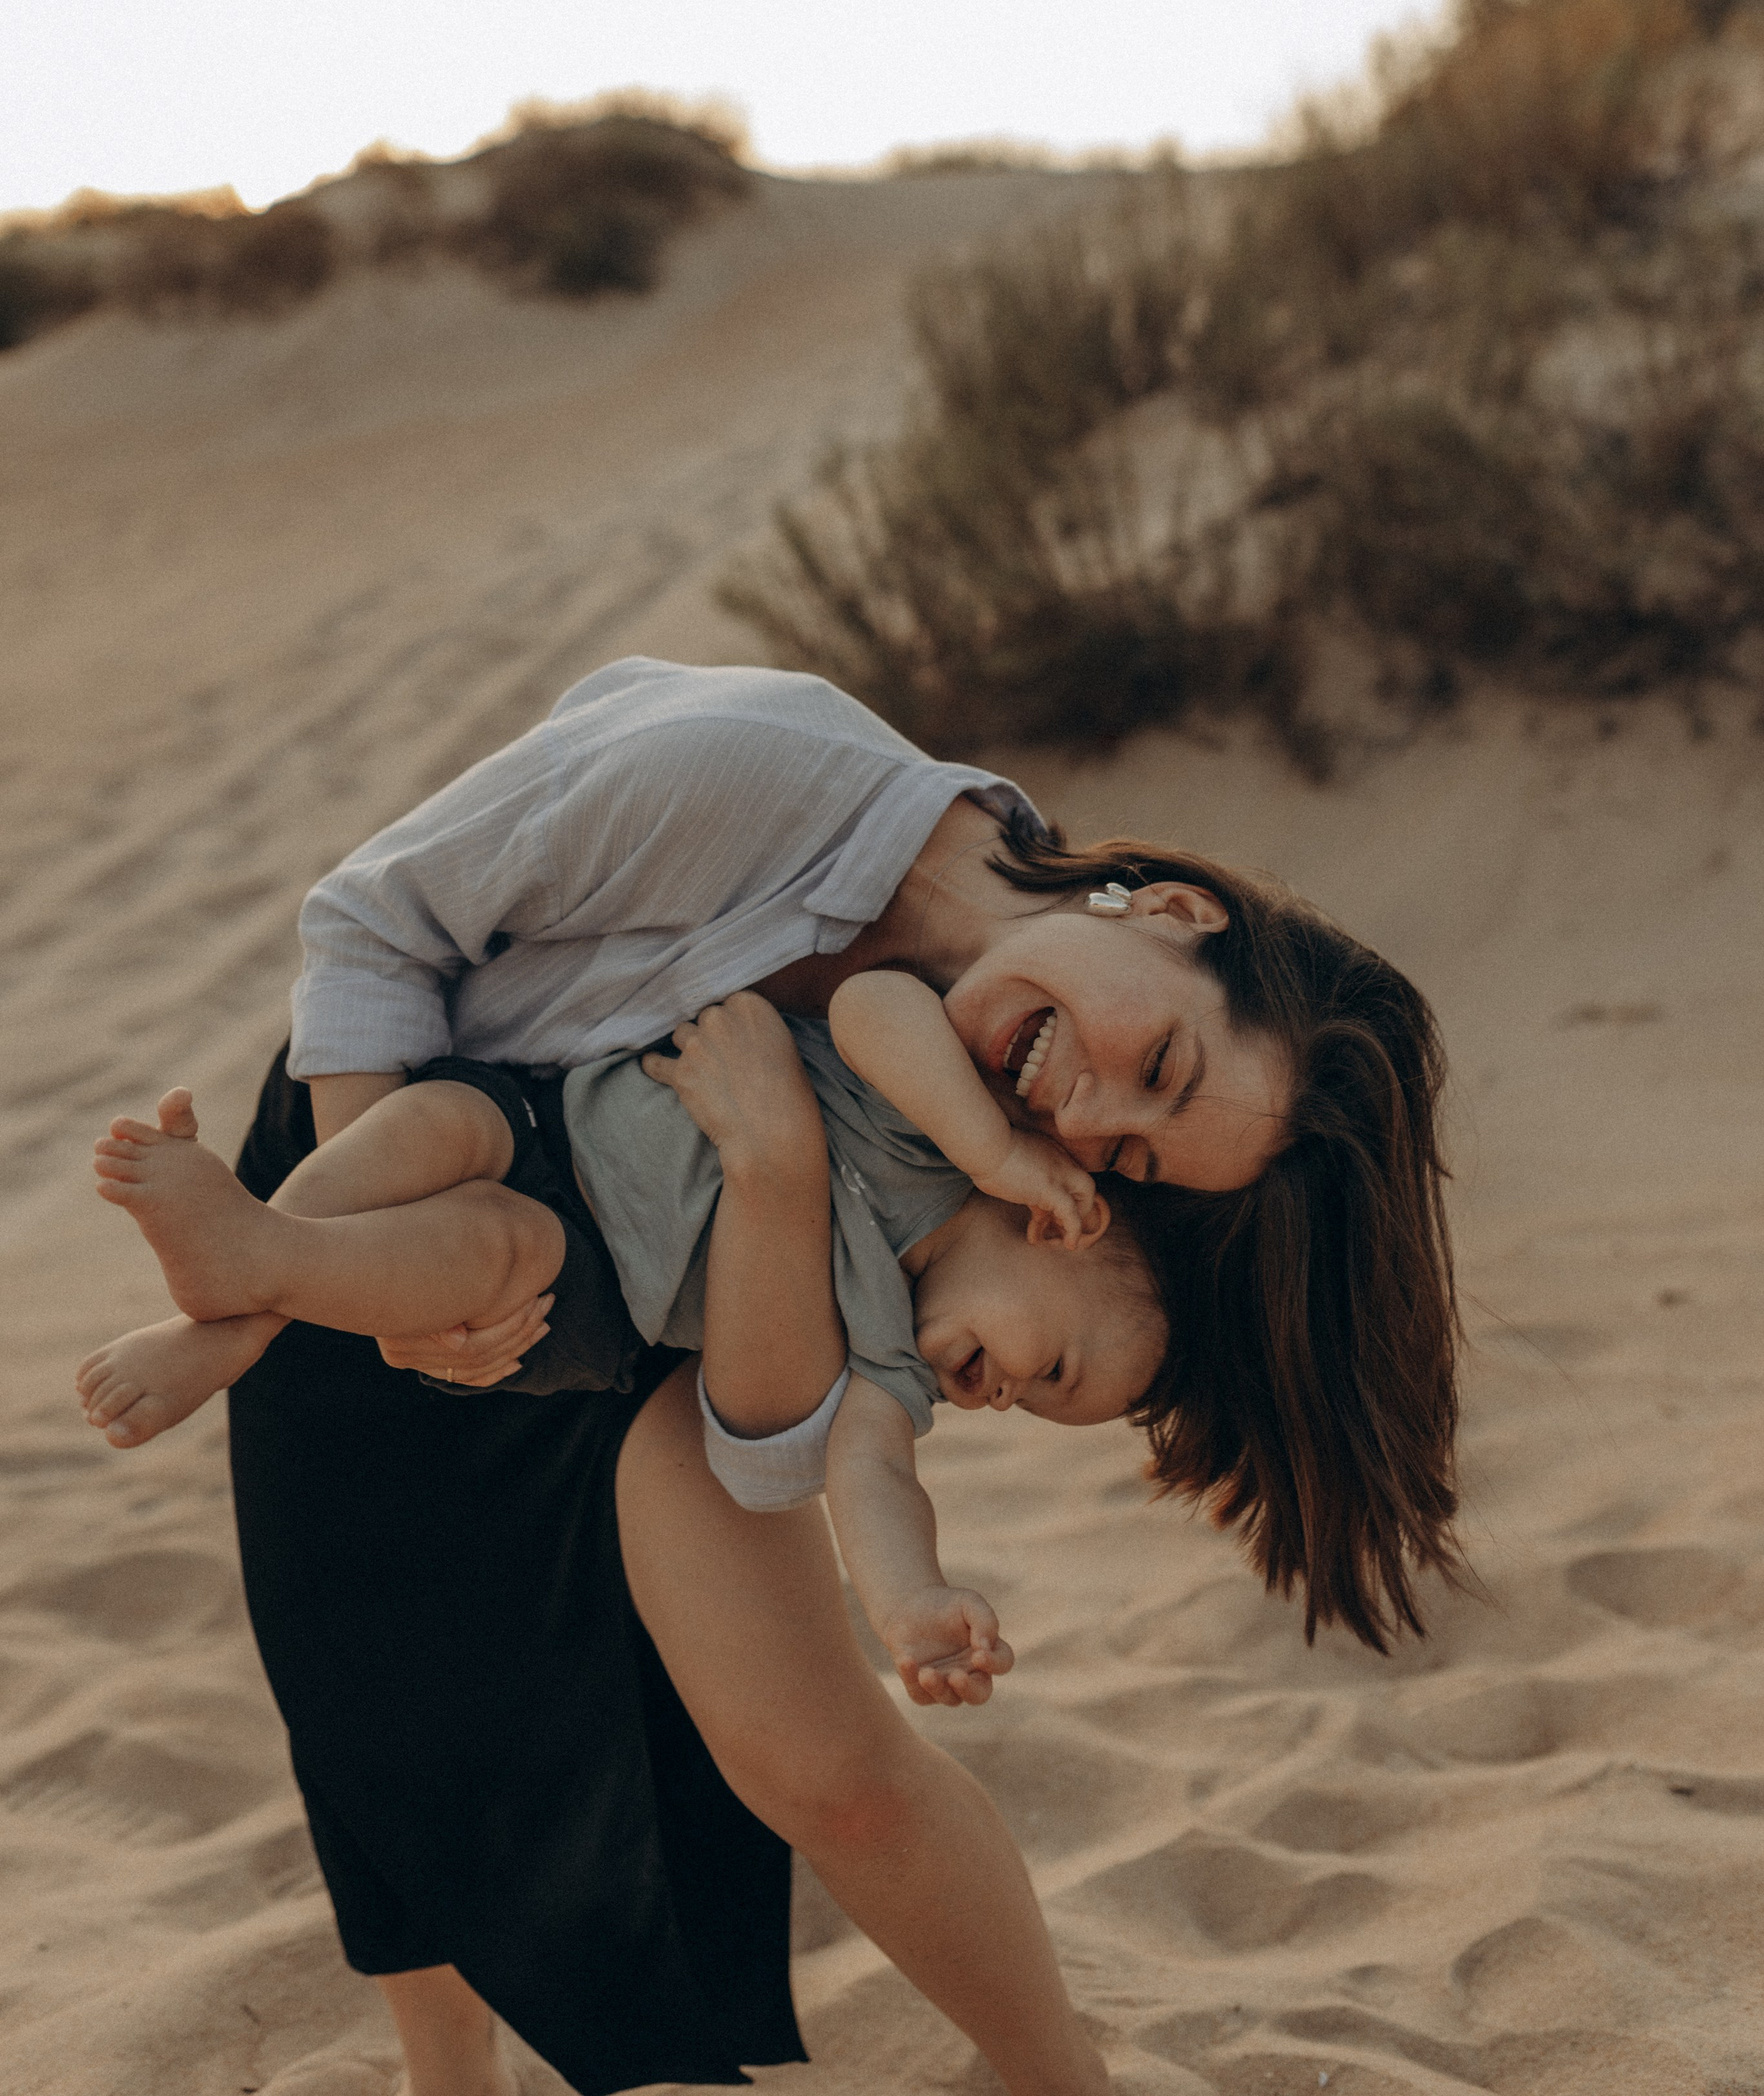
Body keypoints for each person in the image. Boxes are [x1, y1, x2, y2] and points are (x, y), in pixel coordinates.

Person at [76, 657, 1462, 2096]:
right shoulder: (751, 770)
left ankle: (1058, 2080)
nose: (1075, 1110)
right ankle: (450, 2077)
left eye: (1123, 1155)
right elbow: (367, 922)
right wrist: (384, 1278)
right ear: (1176, 913)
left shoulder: (1016, 1072)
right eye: (1159, 1062)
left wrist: (787, 1171)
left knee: (823, 1768)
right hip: (388, 1168)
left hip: (685, 1302)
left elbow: (799, 1419)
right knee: (379, 1700)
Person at [85, 994, 1168, 1701]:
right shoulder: (941, 1127)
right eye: (1054, 1370)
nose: (1004, 1395)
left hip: (594, 1279)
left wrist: (909, 1602)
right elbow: (873, 1005)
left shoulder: (889, 1358)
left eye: (1027, 1409)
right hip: (553, 1115)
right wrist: (993, 1148)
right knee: (439, 1126)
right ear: (1065, 1223)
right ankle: (244, 1285)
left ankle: (245, 1283)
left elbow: (874, 1475)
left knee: (493, 1250)